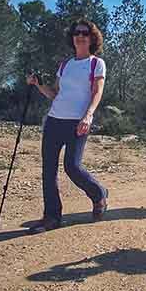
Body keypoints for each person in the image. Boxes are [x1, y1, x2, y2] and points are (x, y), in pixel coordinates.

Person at [26, 19, 109, 233]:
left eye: (84, 33)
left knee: (72, 166)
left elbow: (97, 92)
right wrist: (38, 85)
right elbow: (55, 94)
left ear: (92, 38)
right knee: (48, 169)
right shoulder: (65, 65)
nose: (79, 36)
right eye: (76, 33)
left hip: (77, 122)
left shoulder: (96, 63)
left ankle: (99, 194)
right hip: (54, 120)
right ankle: (52, 217)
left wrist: (88, 116)